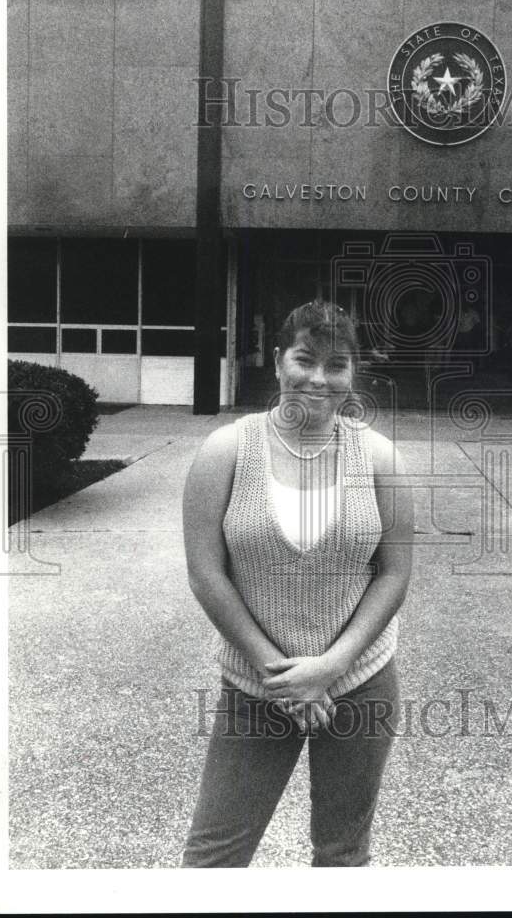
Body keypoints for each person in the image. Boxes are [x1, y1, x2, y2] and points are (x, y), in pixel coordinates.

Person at [180, 300, 414, 867]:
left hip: (359, 681)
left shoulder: (380, 457)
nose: (318, 377)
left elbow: (394, 573)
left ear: (353, 374)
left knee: (342, 855)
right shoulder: (227, 451)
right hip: (257, 686)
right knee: (213, 861)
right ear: (279, 360)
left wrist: (331, 667)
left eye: (337, 365)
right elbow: (206, 572)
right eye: (305, 359)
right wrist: (279, 674)